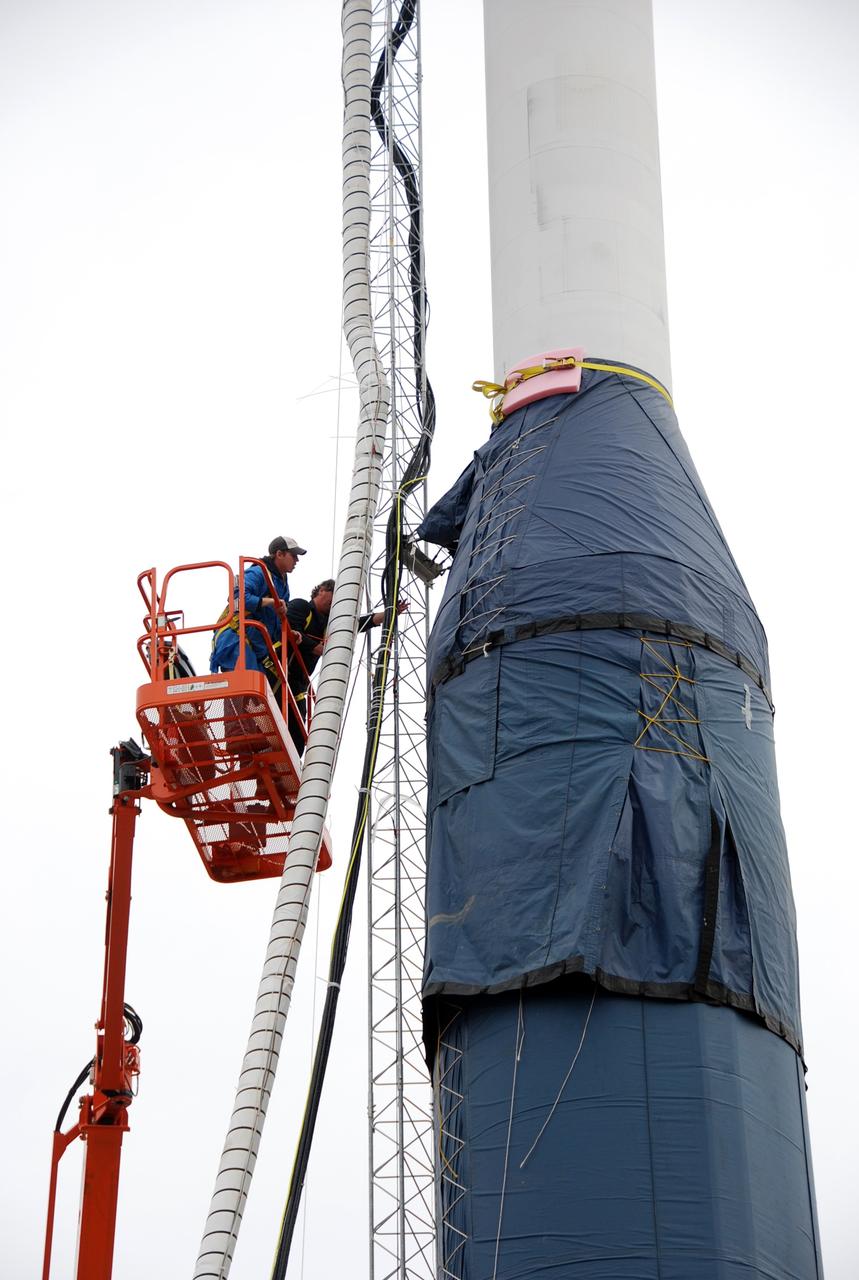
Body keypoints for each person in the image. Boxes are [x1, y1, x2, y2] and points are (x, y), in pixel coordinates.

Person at [284, 579, 407, 754]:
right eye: (335, 596)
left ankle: (285, 773)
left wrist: (391, 613)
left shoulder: (331, 624)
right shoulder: (302, 606)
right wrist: (315, 647)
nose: (336, 602)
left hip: (297, 684)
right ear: (322, 591)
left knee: (297, 737)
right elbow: (290, 629)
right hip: (279, 671)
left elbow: (362, 623)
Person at [210, 535, 306, 676]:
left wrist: (287, 634)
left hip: (254, 645)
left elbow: (275, 622)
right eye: (293, 555)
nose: (297, 560)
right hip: (235, 637)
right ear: (279, 554)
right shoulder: (259, 572)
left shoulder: (283, 586)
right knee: (246, 684)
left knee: (258, 688)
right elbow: (237, 598)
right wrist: (271, 601)